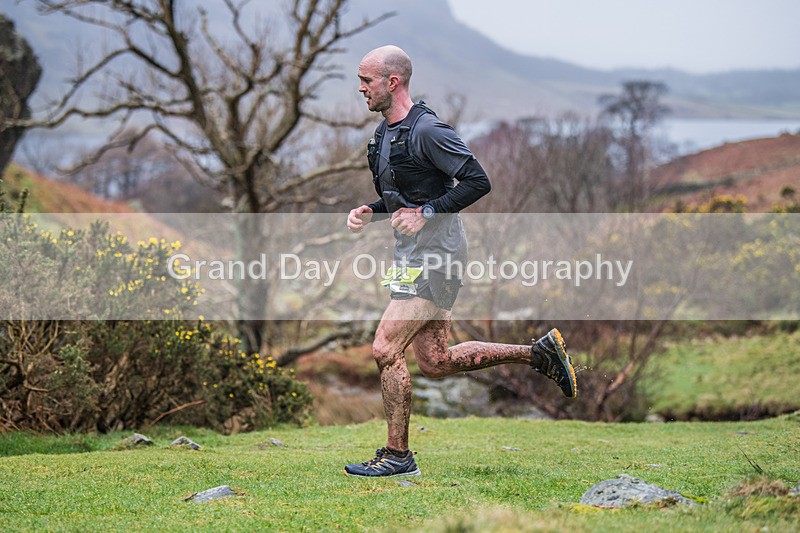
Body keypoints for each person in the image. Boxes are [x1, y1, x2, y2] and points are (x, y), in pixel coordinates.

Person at [344, 45, 576, 478]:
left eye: (366, 80)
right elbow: (406, 197)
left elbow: (477, 181)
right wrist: (371, 210)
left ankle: (398, 457)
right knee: (435, 361)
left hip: (439, 255)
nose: (360, 88)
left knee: (384, 348)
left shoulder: (429, 130)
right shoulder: (383, 135)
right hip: (410, 256)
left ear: (392, 82)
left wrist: (427, 213)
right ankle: (538, 354)